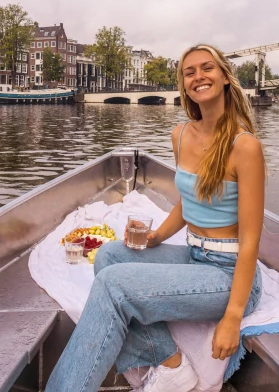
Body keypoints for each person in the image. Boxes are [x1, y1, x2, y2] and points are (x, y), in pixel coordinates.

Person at [46, 44, 265, 392]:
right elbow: (188, 202)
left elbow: (252, 238)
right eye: (189, 72)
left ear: (225, 77)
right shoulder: (180, 135)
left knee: (113, 285)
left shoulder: (245, 146)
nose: (198, 76)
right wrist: (156, 237)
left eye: (207, 68)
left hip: (230, 271)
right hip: (196, 256)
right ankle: (168, 361)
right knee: (109, 255)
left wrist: (232, 317)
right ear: (183, 83)